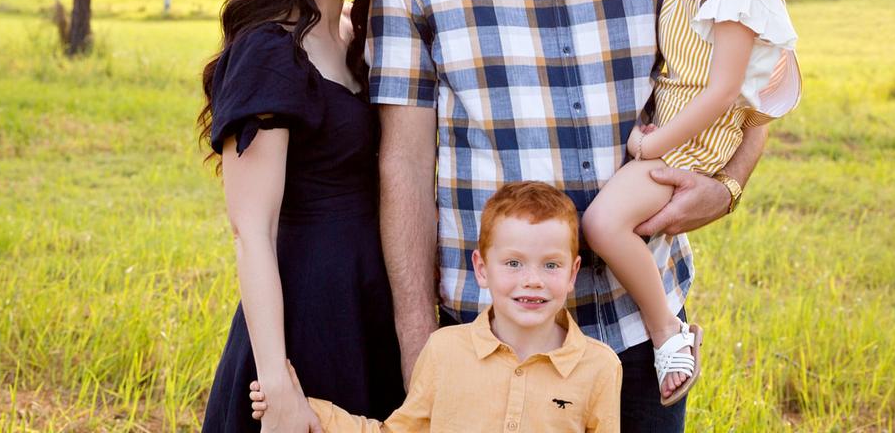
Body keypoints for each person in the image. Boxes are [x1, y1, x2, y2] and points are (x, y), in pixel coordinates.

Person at [369, 0, 768, 431]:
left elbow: (762, 68)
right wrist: (417, 347)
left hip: (639, 331)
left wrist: (729, 183)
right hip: (487, 336)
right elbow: (403, 163)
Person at [581, 0, 800, 406]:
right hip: (676, 127)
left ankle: (668, 333)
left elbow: (724, 88)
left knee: (603, 225)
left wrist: (655, 147)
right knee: (611, 225)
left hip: (695, 140)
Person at [198, 0, 406, 432]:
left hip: (372, 300)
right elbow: (252, 233)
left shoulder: (356, 35)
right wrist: (278, 383)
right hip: (309, 308)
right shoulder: (270, 51)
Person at [252, 182, 623, 432]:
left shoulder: (599, 367)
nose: (533, 279)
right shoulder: (446, 351)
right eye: (513, 263)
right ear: (482, 268)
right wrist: (306, 411)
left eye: (551, 265)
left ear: (573, 272)